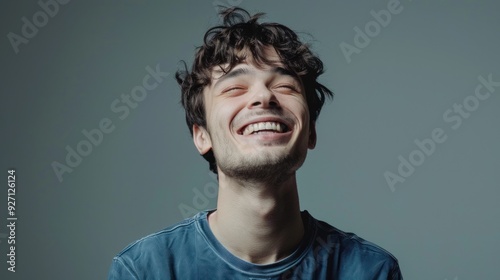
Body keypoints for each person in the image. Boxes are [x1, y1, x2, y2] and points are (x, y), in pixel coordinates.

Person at [108, 7, 403, 279]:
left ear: (310, 132)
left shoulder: (369, 271)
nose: (263, 96)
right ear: (202, 136)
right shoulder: (144, 270)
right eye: (235, 87)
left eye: (284, 85)